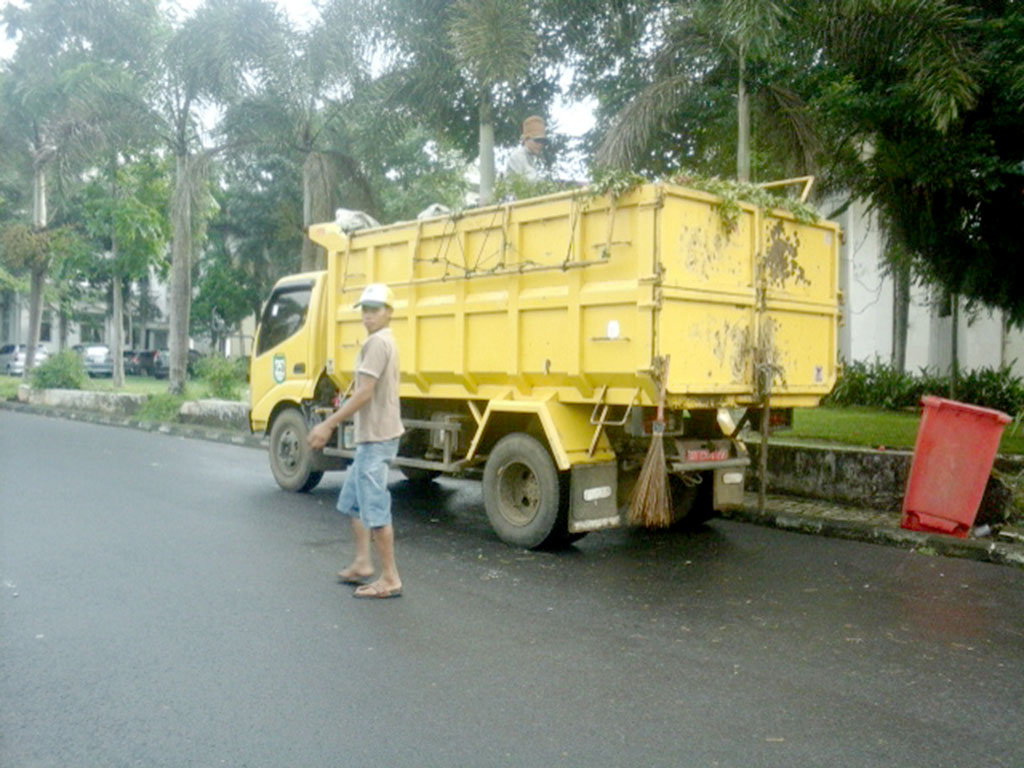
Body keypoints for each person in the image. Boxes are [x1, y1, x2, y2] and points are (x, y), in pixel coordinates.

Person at [307, 283, 405, 599]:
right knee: (352, 503)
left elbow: (364, 392)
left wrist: (328, 424)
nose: (368, 316)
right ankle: (363, 563)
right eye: (364, 309)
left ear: (388, 312)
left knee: (375, 509)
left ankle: (390, 579)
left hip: (376, 439)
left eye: (375, 309)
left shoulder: (378, 343)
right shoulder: (383, 340)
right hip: (371, 439)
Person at [505, 115, 547, 182]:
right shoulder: (518, 156)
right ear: (526, 139)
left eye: (543, 141)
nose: (540, 144)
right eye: (537, 140)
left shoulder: (531, 158)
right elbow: (532, 180)